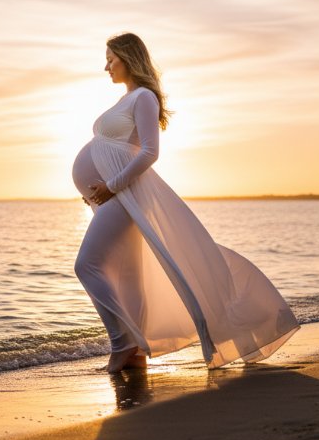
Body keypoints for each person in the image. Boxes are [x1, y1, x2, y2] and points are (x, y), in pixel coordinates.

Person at [72, 32, 300, 373]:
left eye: (111, 59)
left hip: (124, 193)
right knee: (130, 274)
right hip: (111, 197)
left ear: (128, 57)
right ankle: (136, 352)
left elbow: (150, 152)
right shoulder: (126, 99)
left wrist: (112, 185)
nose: (106, 66)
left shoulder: (144, 98)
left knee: (87, 265)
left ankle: (122, 344)